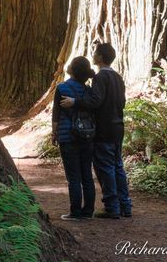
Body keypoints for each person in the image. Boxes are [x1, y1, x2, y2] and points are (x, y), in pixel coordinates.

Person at [61, 42, 132, 219]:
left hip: (104, 129)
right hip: (118, 127)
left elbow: (96, 101)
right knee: (118, 166)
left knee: (106, 167)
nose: (93, 54)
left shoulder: (100, 77)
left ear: (100, 57)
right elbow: (122, 103)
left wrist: (75, 102)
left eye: (95, 52)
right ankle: (125, 205)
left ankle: (112, 208)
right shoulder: (117, 77)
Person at [52, 56, 96, 221]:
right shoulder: (89, 91)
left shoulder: (62, 88)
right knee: (86, 175)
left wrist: (54, 133)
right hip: (87, 136)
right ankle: (89, 211)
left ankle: (76, 212)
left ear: (73, 70)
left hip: (68, 136)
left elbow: (56, 113)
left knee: (74, 177)